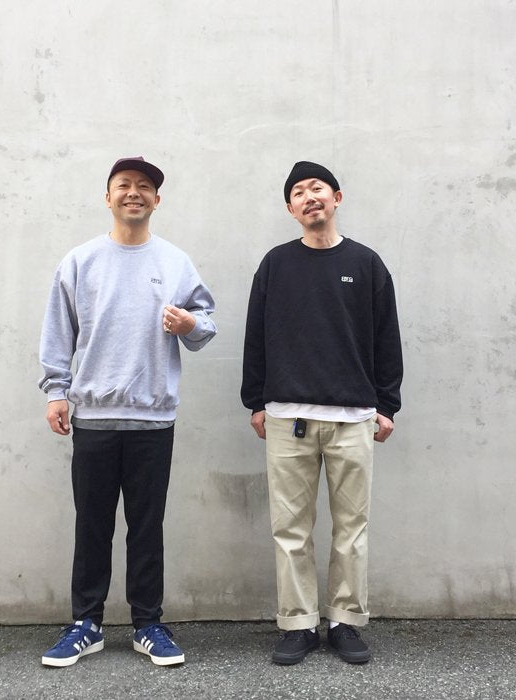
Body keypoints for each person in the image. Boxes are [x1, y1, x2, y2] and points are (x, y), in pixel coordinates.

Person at [38, 156, 216, 668]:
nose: (133, 192)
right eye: (124, 185)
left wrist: (189, 324)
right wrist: (55, 391)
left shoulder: (175, 262)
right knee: (92, 525)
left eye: (144, 186)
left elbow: (205, 323)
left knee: (147, 526)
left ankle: (147, 624)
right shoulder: (81, 261)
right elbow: (58, 331)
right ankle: (85, 624)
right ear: (108, 196)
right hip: (93, 418)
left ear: (157, 200)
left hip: (153, 419)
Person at [241, 161, 402, 666]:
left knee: (352, 527)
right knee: (290, 529)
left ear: (336, 197)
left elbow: (387, 337)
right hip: (287, 416)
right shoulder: (275, 264)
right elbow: (255, 335)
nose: (309, 197)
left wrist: (387, 404)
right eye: (298, 192)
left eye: (317, 188)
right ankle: (299, 624)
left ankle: (346, 621)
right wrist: (255, 401)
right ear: (290, 209)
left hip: (353, 416)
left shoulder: (366, 263)